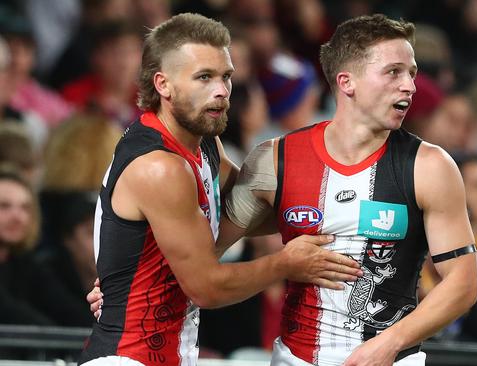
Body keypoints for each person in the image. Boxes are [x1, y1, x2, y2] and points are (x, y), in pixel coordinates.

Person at [78, 13, 361, 366]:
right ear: (163, 85)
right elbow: (206, 288)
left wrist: (334, 205)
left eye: (226, 76)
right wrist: (286, 264)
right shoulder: (159, 166)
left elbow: (255, 211)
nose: (222, 91)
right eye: (204, 77)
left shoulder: (204, 144)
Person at [218, 14, 477, 366]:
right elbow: (206, 260)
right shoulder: (276, 159)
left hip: (391, 359)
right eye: (393, 72)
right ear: (347, 82)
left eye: (411, 73)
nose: (410, 86)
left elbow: (463, 283)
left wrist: (390, 343)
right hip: (295, 358)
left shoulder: (430, 166)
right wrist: (278, 266)